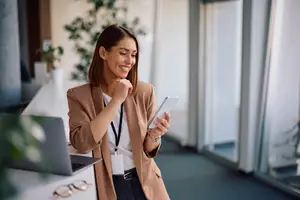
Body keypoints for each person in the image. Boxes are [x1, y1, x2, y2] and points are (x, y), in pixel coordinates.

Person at [67, 24, 171, 200]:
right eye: (123, 53)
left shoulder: (144, 91)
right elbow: (82, 143)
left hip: (143, 180)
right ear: (103, 53)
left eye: (133, 55)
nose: (130, 61)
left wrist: (155, 135)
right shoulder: (78, 95)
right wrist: (115, 101)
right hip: (107, 182)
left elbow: (148, 149)